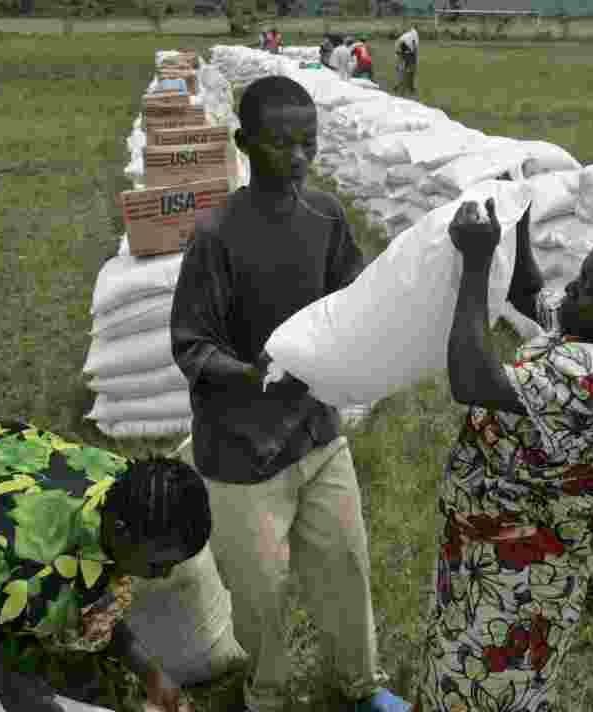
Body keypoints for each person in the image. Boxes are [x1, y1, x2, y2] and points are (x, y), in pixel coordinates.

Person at [169, 75, 411, 712]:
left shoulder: (327, 216)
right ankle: (268, 693)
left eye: (309, 141)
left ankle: (362, 685)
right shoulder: (216, 235)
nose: (300, 156)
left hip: (317, 433)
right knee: (261, 590)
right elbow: (191, 345)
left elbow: (352, 297)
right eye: (282, 144)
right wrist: (252, 372)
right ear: (244, 143)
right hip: (242, 453)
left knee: (345, 566)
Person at [411, 199, 593, 712]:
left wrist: (476, 265)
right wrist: (521, 218)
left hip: (515, 575)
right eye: (581, 276)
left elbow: (471, 379)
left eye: (587, 287)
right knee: (458, 663)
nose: (570, 291)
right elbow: (528, 293)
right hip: (489, 547)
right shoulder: (586, 325)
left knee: (479, 687)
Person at [0, 419, 212, 712]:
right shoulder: (9, 555)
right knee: (3, 656)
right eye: (157, 565)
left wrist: (151, 674)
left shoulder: (131, 490)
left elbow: (92, 591)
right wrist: (6, 684)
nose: (163, 575)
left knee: (62, 642)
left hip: (10, 466)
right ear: (122, 531)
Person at [395, 26, 419, 95]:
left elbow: (399, 46)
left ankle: (399, 85)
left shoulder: (407, 35)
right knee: (410, 71)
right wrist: (414, 58)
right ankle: (410, 87)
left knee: (401, 70)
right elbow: (415, 47)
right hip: (405, 51)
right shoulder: (415, 35)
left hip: (400, 49)